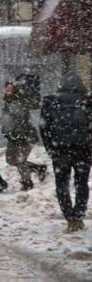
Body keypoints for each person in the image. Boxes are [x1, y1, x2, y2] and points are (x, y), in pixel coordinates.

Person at [40, 73, 91, 233]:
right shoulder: (87, 101)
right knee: (81, 183)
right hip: (83, 149)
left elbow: (44, 127)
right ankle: (79, 214)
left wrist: (50, 147)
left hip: (60, 150)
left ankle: (69, 217)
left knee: (62, 184)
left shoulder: (51, 101)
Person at [2, 80, 47, 191]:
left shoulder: (19, 100)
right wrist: (6, 130)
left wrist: (16, 132)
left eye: (10, 88)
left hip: (24, 135)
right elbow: (7, 119)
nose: (7, 90)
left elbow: (19, 118)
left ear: (14, 89)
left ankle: (27, 183)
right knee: (10, 160)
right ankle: (38, 168)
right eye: (6, 88)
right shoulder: (8, 101)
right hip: (13, 135)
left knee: (19, 160)